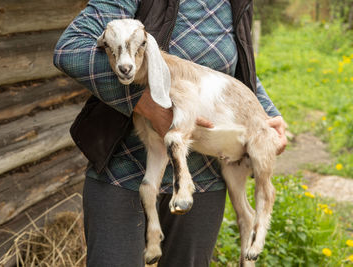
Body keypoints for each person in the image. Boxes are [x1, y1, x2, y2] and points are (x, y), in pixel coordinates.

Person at [53, 0, 288, 266]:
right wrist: (146, 102)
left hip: (202, 175)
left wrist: (268, 114)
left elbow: (235, 67)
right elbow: (70, 49)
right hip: (123, 169)